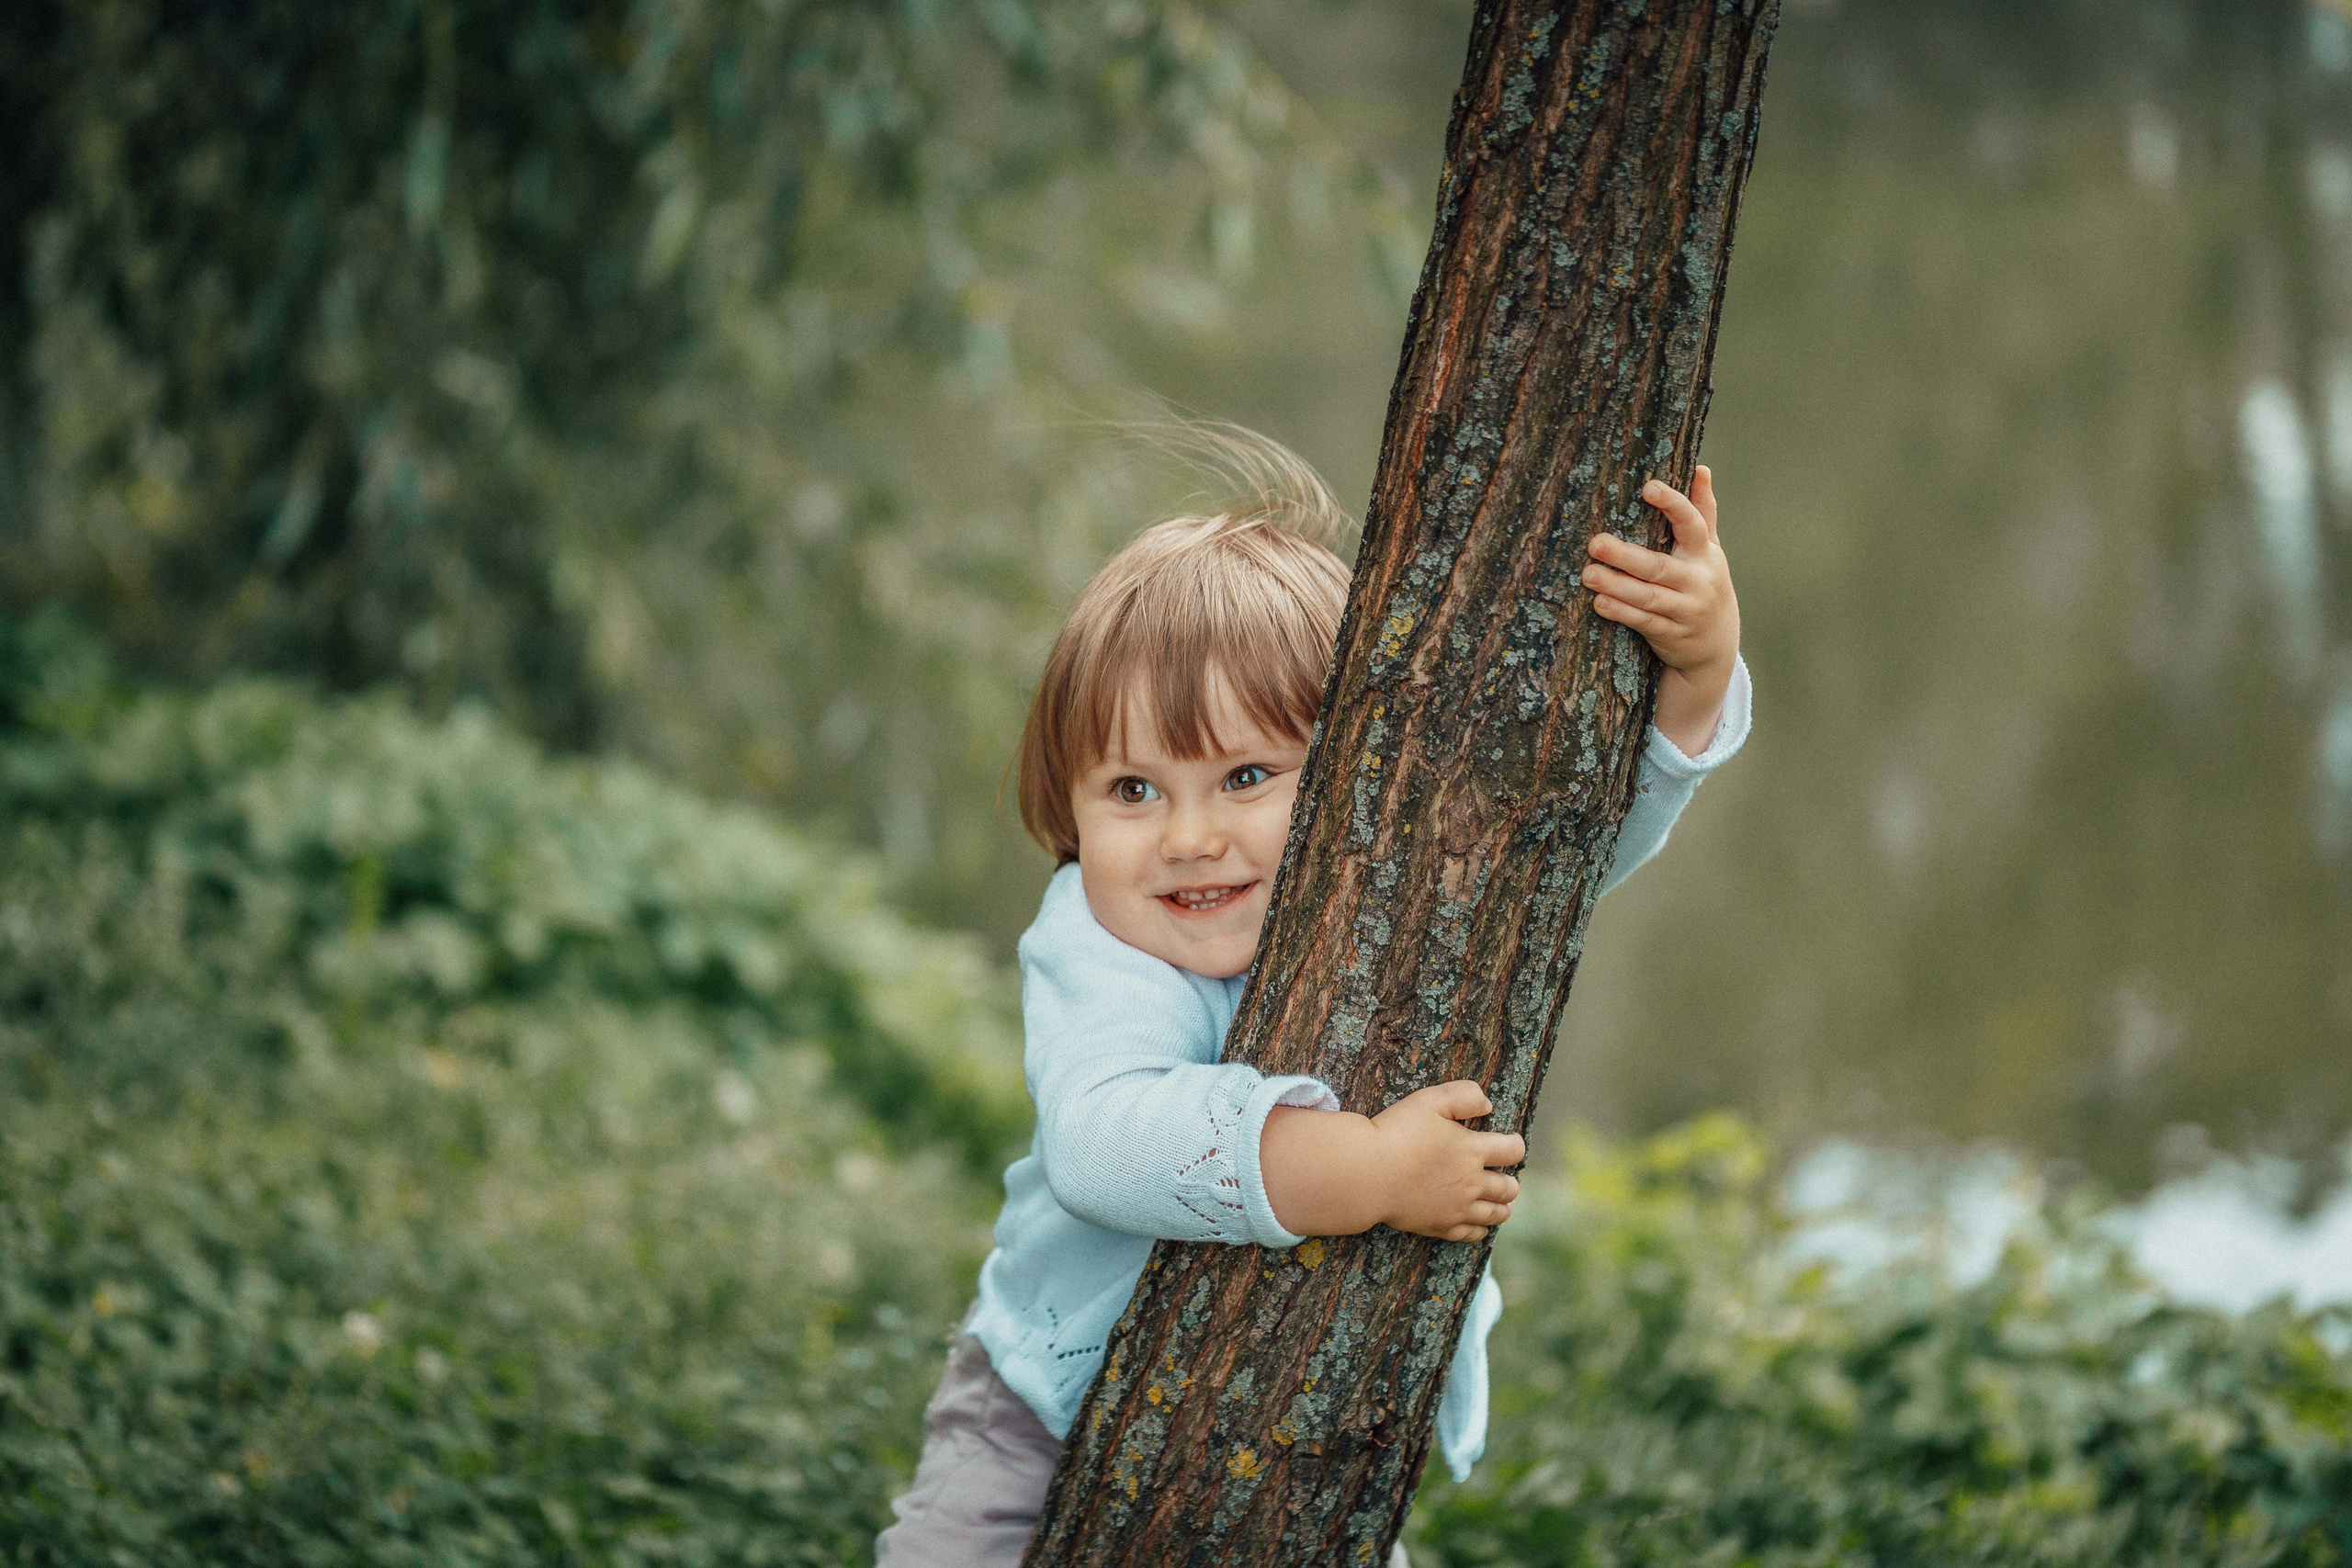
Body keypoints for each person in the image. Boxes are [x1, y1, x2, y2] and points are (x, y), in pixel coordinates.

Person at [873, 430, 1750, 1567]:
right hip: (1041, 1416)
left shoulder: (1384, 878)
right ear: (1070, 808)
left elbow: (1554, 853)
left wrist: (1699, 671)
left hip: (1309, 1435)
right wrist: (1374, 1171)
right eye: (1133, 789)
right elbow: (1098, 1145)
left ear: (1357, 779)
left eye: (1246, 777)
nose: (1191, 839)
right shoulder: (1097, 943)